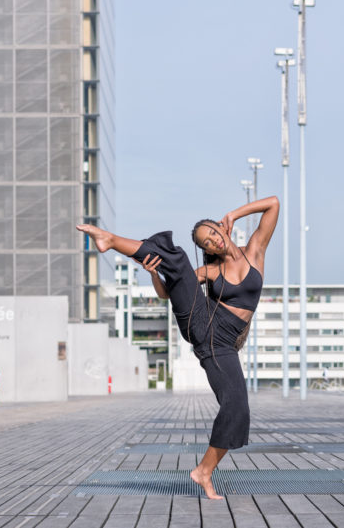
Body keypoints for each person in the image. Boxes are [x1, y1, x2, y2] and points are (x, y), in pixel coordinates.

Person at [76, 195, 279, 499]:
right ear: (207, 252)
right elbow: (168, 293)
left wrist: (234, 213)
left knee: (238, 408)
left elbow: (273, 204)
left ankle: (203, 472)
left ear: (222, 229)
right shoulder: (209, 272)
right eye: (206, 244)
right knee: (178, 259)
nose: (212, 242)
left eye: (212, 233)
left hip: (221, 345)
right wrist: (154, 274)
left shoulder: (255, 252)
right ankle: (110, 239)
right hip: (201, 323)